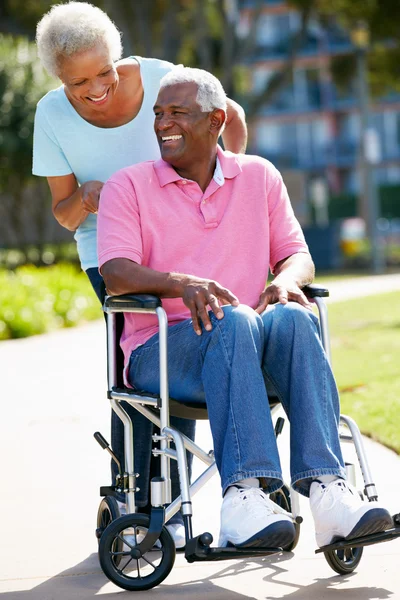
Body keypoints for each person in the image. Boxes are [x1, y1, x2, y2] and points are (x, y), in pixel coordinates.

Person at [97, 67, 393, 549]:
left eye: (178, 113)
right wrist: (181, 284)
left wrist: (284, 281)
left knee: (295, 315)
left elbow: (298, 255)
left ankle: (327, 492)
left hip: (248, 344)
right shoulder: (127, 186)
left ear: (216, 120)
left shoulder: (259, 176)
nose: (162, 123)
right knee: (233, 319)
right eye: (158, 113)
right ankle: (243, 498)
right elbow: (116, 270)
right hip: (164, 353)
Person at [32, 2, 248, 548]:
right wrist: (85, 198)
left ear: (117, 54)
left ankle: (174, 500)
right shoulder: (52, 115)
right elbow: (62, 213)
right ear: (59, 79)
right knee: (136, 376)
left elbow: (232, 118)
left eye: (104, 71)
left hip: (186, 245)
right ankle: (145, 497)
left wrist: (230, 199)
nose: (96, 88)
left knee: (189, 354)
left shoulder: (160, 79)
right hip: (114, 256)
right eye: (79, 82)